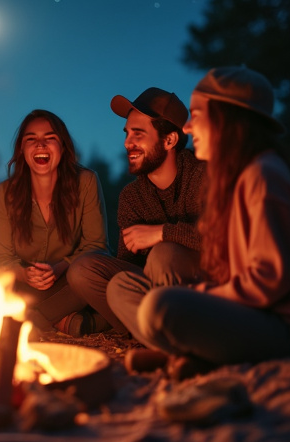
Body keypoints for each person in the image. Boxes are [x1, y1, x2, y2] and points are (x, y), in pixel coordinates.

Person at [122, 67, 290, 379]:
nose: (187, 127)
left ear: (228, 119)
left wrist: (202, 295)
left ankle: (190, 354)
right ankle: (200, 357)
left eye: (197, 114)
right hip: (250, 314)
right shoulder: (234, 178)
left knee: (161, 307)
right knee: (138, 295)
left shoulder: (263, 175)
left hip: (278, 326)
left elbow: (268, 280)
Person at [67, 88, 206, 334]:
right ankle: (147, 331)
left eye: (138, 134)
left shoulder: (202, 176)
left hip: (202, 288)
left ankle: (183, 332)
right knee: (83, 270)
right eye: (127, 133)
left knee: (164, 254)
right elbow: (126, 265)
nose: (127, 143)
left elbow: (223, 240)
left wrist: (162, 233)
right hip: (152, 288)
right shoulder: (131, 197)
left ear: (170, 140)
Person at [0, 109, 108, 336]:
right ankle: (73, 322)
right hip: (26, 287)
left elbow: (97, 246)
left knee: (86, 280)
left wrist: (59, 267)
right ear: (22, 149)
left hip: (70, 284)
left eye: (50, 138)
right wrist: (25, 274)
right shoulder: (5, 192)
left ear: (63, 147)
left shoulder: (86, 182)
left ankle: (30, 322)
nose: (41, 145)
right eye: (31, 139)